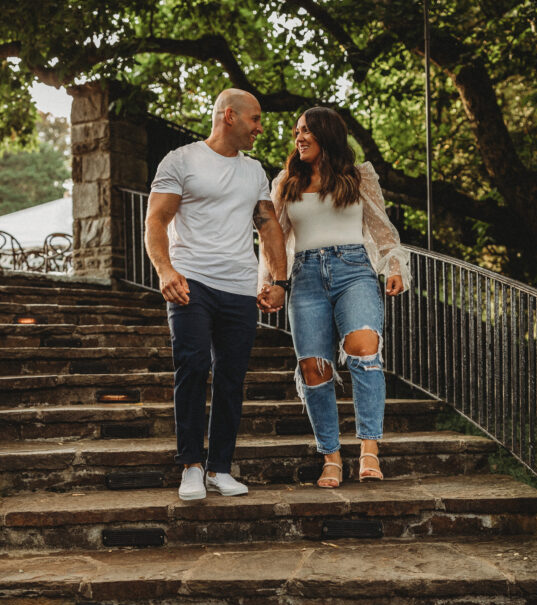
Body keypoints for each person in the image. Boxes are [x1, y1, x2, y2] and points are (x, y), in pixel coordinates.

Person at [145, 89, 287, 501]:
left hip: (240, 286)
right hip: (191, 280)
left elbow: (269, 224)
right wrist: (165, 270)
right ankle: (191, 465)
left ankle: (220, 468)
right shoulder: (181, 160)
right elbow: (156, 219)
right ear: (230, 116)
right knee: (191, 366)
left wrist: (279, 281)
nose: (260, 127)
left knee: (231, 379)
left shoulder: (255, 171)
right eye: (255, 119)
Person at [262, 106, 411, 487]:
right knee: (315, 369)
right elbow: (273, 239)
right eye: (296, 131)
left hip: (354, 270)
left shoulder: (358, 177)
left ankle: (368, 451)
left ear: (326, 135)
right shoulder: (286, 181)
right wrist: (269, 282)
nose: (299, 138)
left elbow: (383, 231)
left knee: (364, 349)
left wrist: (394, 266)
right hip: (306, 276)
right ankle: (331, 457)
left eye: (307, 131)